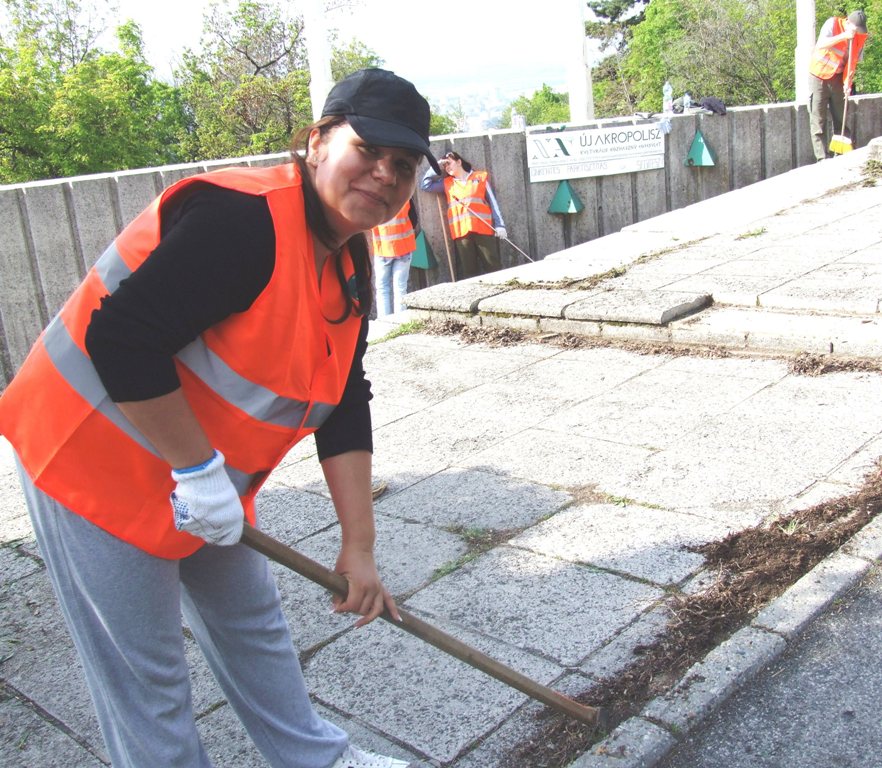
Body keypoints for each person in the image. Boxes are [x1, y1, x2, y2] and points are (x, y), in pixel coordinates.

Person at [0, 67, 442, 768]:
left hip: (192, 466)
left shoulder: (346, 259)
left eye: (404, 164)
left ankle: (316, 760)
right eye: (370, 151)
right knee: (147, 675)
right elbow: (119, 339)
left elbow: (342, 399)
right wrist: (199, 472)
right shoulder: (244, 223)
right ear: (320, 141)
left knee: (250, 622)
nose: (385, 175)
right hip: (91, 459)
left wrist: (359, 546)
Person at [420, 150, 507, 279]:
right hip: (461, 233)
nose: (447, 167)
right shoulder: (447, 183)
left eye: (449, 163)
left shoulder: (480, 177)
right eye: (445, 165)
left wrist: (500, 225)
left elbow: (493, 203)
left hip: (483, 228)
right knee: (469, 271)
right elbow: (425, 185)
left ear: (459, 162)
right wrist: (437, 165)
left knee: (493, 265)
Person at [809, 9, 869, 162]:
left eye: (859, 30)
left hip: (839, 78)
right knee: (818, 119)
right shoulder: (832, 24)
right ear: (848, 22)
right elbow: (821, 44)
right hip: (819, 76)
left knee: (841, 118)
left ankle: (843, 155)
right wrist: (843, 36)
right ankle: (822, 158)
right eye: (855, 29)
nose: (857, 33)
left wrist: (848, 83)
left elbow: (853, 62)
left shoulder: (860, 37)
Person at [370, 196, 419, 316]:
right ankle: (400, 321)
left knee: (382, 288)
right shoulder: (405, 196)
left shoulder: (373, 199)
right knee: (401, 287)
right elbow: (414, 220)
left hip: (383, 248)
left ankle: (384, 321)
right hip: (403, 246)